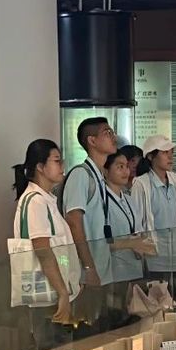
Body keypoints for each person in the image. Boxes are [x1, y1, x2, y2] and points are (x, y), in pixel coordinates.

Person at [13, 139, 80, 350]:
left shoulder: (46, 199)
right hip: (49, 296)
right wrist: (62, 292)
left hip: (57, 292)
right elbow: (43, 251)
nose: (62, 166)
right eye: (57, 161)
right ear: (40, 167)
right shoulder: (35, 201)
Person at [62, 117, 118, 327]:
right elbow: (74, 221)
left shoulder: (99, 176)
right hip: (87, 271)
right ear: (92, 141)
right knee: (87, 329)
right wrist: (88, 266)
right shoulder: (81, 174)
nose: (113, 136)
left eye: (112, 131)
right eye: (107, 132)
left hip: (101, 266)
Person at [133, 136, 176, 314]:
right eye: (165, 152)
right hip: (155, 257)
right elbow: (138, 222)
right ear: (151, 156)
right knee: (156, 309)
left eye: (171, 152)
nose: (170, 156)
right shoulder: (141, 184)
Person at [103, 150, 154, 325]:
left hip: (133, 269)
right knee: (115, 319)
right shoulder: (101, 201)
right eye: (119, 167)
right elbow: (101, 240)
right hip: (113, 270)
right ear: (106, 171)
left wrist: (142, 244)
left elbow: (137, 231)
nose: (126, 171)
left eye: (126, 166)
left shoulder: (129, 199)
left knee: (132, 320)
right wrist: (131, 243)